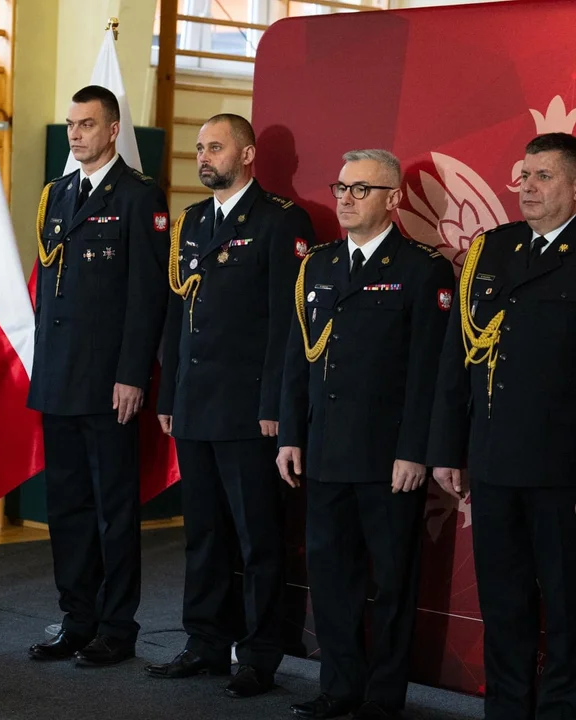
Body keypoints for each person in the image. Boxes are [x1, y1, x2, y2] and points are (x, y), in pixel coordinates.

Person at [276, 150, 453, 720]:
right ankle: (339, 687)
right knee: (332, 577)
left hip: (388, 459)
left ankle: (383, 695)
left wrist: (415, 452)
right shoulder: (320, 266)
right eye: (340, 187)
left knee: (393, 584)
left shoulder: (423, 269)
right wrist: (291, 434)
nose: (344, 199)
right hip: (325, 450)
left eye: (360, 189)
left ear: (393, 199)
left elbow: (430, 373)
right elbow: (296, 358)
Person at [147, 114, 314, 698]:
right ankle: (206, 641)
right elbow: (177, 316)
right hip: (194, 404)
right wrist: (169, 394)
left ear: (246, 155)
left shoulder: (280, 221)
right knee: (203, 535)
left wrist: (274, 402)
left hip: (249, 410)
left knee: (257, 539)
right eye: (199, 147)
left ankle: (260, 653)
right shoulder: (191, 223)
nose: (203, 156)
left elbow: (286, 326)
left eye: (214, 147)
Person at [428, 132, 576, 719]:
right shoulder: (492, 251)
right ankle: (508, 709)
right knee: (503, 599)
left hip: (562, 466)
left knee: (566, 604)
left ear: (573, 185)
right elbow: (455, 360)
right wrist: (448, 448)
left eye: (543, 176)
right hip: (492, 461)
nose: (528, 188)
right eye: (525, 174)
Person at [26, 85, 169, 666]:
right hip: (60, 378)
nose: (76, 134)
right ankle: (76, 617)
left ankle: (117, 626)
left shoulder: (138, 196)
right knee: (67, 507)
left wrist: (133, 374)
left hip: (111, 383)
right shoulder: (55, 195)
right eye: (70, 125)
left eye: (86, 124)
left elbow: (147, 295)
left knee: (114, 508)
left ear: (113, 130)